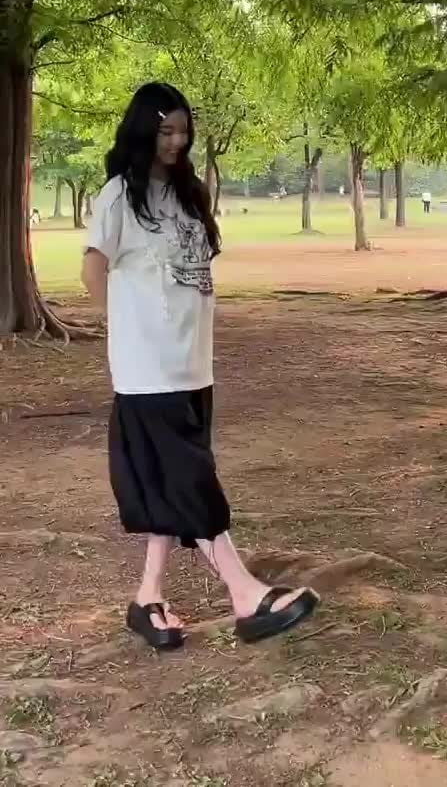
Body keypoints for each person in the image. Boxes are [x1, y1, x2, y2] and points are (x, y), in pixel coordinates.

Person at [81, 83, 319, 650]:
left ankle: (148, 597)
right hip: (149, 372)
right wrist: (129, 333)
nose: (176, 141)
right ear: (143, 130)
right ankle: (246, 595)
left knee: (175, 484)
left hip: (192, 366)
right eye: (165, 130)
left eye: (183, 131)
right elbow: (93, 271)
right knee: (192, 483)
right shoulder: (119, 197)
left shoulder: (189, 194)